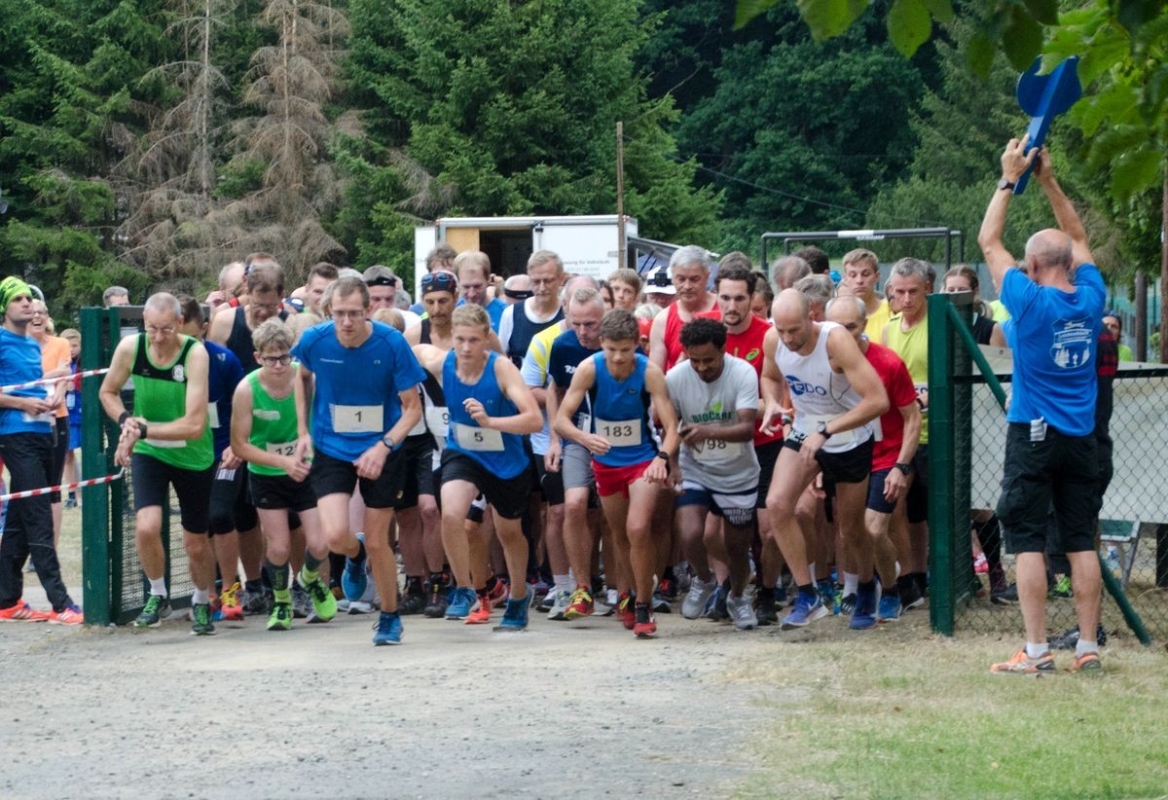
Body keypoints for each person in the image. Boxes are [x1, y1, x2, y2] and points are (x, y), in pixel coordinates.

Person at [978, 137, 1106, 674]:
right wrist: (1049, 180)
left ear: (1031, 264)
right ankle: (1088, 647)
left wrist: (1010, 177)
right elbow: (1077, 236)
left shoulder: (1027, 302)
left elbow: (988, 239)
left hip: (1032, 432)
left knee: (1027, 539)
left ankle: (1035, 652)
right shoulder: (1092, 296)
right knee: (1080, 540)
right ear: (1069, 263)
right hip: (1083, 436)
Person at [292, 276, 425, 646]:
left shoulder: (391, 343)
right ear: (328, 312)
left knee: (380, 538)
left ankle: (389, 617)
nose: (346, 322)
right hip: (331, 446)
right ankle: (355, 553)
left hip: (381, 448)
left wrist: (383, 446)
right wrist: (303, 431)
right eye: (339, 314)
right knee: (335, 536)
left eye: (353, 314)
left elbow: (412, 409)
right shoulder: (314, 340)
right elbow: (301, 379)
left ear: (368, 311)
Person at [760, 289, 889, 630]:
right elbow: (770, 376)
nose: (787, 338)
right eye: (781, 329)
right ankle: (808, 594)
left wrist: (828, 430)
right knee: (777, 504)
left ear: (812, 317)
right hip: (806, 429)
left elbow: (877, 400)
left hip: (850, 435)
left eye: (794, 330)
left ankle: (865, 585)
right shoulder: (773, 340)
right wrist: (772, 403)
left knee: (850, 530)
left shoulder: (836, 342)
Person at [413, 304, 542, 630]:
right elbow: (415, 349)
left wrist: (490, 421)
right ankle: (464, 588)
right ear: (452, 339)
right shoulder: (444, 363)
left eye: (474, 340)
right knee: (452, 513)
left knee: (509, 532)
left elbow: (534, 419)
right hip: (464, 451)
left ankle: (518, 596)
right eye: (460, 340)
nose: (467, 348)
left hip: (505, 459)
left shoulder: (501, 370)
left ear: (487, 338)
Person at [554, 309, 680, 638]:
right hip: (606, 462)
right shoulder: (589, 369)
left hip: (642, 460)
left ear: (637, 345)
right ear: (601, 344)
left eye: (626, 349)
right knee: (620, 534)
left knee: (638, 528)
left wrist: (663, 459)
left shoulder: (650, 372)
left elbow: (672, 428)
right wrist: (584, 438)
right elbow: (561, 419)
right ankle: (627, 595)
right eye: (611, 349)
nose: (619, 357)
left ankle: (643, 604)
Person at [99, 292, 216, 633]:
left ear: (180, 323)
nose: (159, 337)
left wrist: (142, 429)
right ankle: (157, 593)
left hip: (193, 455)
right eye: (152, 329)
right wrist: (126, 422)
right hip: (152, 451)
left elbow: (194, 425)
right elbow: (107, 391)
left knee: (195, 543)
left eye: (166, 329)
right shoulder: (131, 348)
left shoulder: (195, 353)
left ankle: (200, 598)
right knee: (147, 526)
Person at [231, 319, 337, 631]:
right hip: (267, 474)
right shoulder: (246, 390)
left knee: (321, 542)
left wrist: (307, 453)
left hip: (306, 469)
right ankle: (281, 601)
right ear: (257, 358)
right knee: (277, 547)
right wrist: (281, 462)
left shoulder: (306, 380)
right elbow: (239, 445)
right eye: (271, 359)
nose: (279, 365)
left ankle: (306, 581)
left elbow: (322, 421)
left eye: (285, 357)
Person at [825, 296, 920, 622]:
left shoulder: (889, 363)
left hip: (885, 455)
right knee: (849, 532)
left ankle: (891, 589)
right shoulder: (823, 362)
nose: (843, 335)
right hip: (847, 454)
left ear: (865, 326)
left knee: (875, 527)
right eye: (835, 328)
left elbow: (912, 417)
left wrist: (901, 466)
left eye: (850, 327)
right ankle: (865, 587)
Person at [668, 318, 761, 630]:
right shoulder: (677, 378)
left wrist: (706, 430)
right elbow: (670, 427)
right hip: (696, 468)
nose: (701, 367)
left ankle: (737, 596)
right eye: (694, 360)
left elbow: (748, 429)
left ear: (724, 350)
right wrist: (674, 464)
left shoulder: (743, 373)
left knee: (736, 547)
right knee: (691, 533)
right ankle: (704, 580)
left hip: (738, 474)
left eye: (709, 360)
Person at [0, 278, 83, 624]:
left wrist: (48, 396)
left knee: (19, 521)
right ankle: (61, 602)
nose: (28, 304)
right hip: (14, 436)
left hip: (41, 432)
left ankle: (6, 600)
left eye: (30, 298)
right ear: (5, 307)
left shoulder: (33, 345)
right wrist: (22, 402)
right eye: (18, 299)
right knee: (38, 516)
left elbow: (33, 386)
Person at [176, 295, 249, 622]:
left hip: (223, 452)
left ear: (204, 329)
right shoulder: (166, 363)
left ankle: (232, 588)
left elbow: (243, 406)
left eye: (192, 338)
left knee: (220, 515)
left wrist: (237, 445)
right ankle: (206, 592)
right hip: (187, 455)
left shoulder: (224, 361)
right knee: (197, 527)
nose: (186, 346)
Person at [882, 257, 934, 608]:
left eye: (913, 291)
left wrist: (929, 396)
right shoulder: (889, 328)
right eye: (899, 292)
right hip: (899, 434)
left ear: (927, 289)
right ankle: (910, 576)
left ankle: (944, 574)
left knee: (933, 510)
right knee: (896, 504)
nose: (906, 298)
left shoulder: (940, 325)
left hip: (934, 433)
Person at [28, 299, 72, 550]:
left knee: (52, 488)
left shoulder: (60, 343)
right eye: (32, 313)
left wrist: (57, 384)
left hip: (57, 417)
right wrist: (49, 375)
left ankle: (48, 549)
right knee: (31, 487)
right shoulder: (19, 346)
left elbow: (65, 375)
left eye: (42, 312)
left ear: (47, 317)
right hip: (26, 420)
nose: (37, 316)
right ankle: (33, 545)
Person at [649, 246, 718, 373]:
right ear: (673, 277)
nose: (687, 286)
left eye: (694, 279)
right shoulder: (662, 320)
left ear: (707, 276)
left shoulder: (724, 309)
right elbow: (655, 376)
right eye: (681, 279)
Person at [497, 250, 565, 367]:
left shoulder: (568, 313)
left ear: (561, 279)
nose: (542, 288)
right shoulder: (511, 314)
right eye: (536, 282)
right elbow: (501, 360)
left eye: (548, 281)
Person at [942, 265, 1007, 347]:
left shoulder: (992, 329)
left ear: (975, 291)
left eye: (962, 290)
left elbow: (999, 359)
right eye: (951, 290)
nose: (956, 294)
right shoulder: (937, 326)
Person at [841, 249, 892, 342]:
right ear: (845, 279)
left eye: (865, 274)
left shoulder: (891, 310)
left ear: (877, 277)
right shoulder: (838, 316)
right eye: (853, 275)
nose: (859, 280)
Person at [454, 250, 506, 331]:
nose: (471, 294)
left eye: (477, 286)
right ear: (458, 283)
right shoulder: (452, 311)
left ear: (488, 279)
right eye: (466, 287)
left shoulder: (504, 313)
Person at [60, 328, 83, 508]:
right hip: (68, 414)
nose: (72, 350)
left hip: (84, 413)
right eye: (68, 346)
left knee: (90, 453)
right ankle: (73, 494)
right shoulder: (60, 365)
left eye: (75, 345)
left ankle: (88, 492)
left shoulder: (85, 363)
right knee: (68, 455)